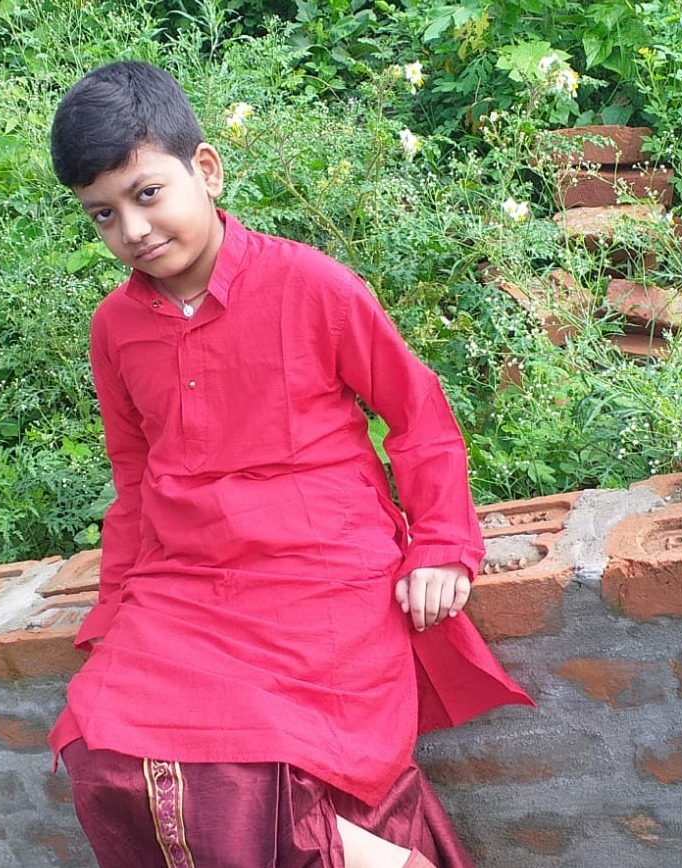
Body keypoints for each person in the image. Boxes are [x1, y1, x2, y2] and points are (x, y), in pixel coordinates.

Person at [48, 60, 533, 868]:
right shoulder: (115, 329)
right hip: (185, 584)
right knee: (100, 755)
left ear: (206, 169)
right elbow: (134, 481)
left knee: (252, 776)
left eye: (147, 193)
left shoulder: (309, 282)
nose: (132, 229)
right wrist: (115, 608)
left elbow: (417, 415)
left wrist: (444, 544)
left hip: (323, 574)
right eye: (103, 213)